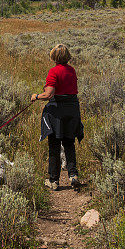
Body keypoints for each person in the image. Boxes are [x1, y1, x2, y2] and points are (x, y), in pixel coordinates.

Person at [31, 43, 83, 190]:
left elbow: (49, 94)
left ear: (54, 56)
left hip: (57, 111)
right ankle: (73, 175)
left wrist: (36, 96)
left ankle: (54, 181)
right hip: (72, 109)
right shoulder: (72, 70)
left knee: (54, 145)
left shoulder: (54, 71)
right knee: (69, 143)